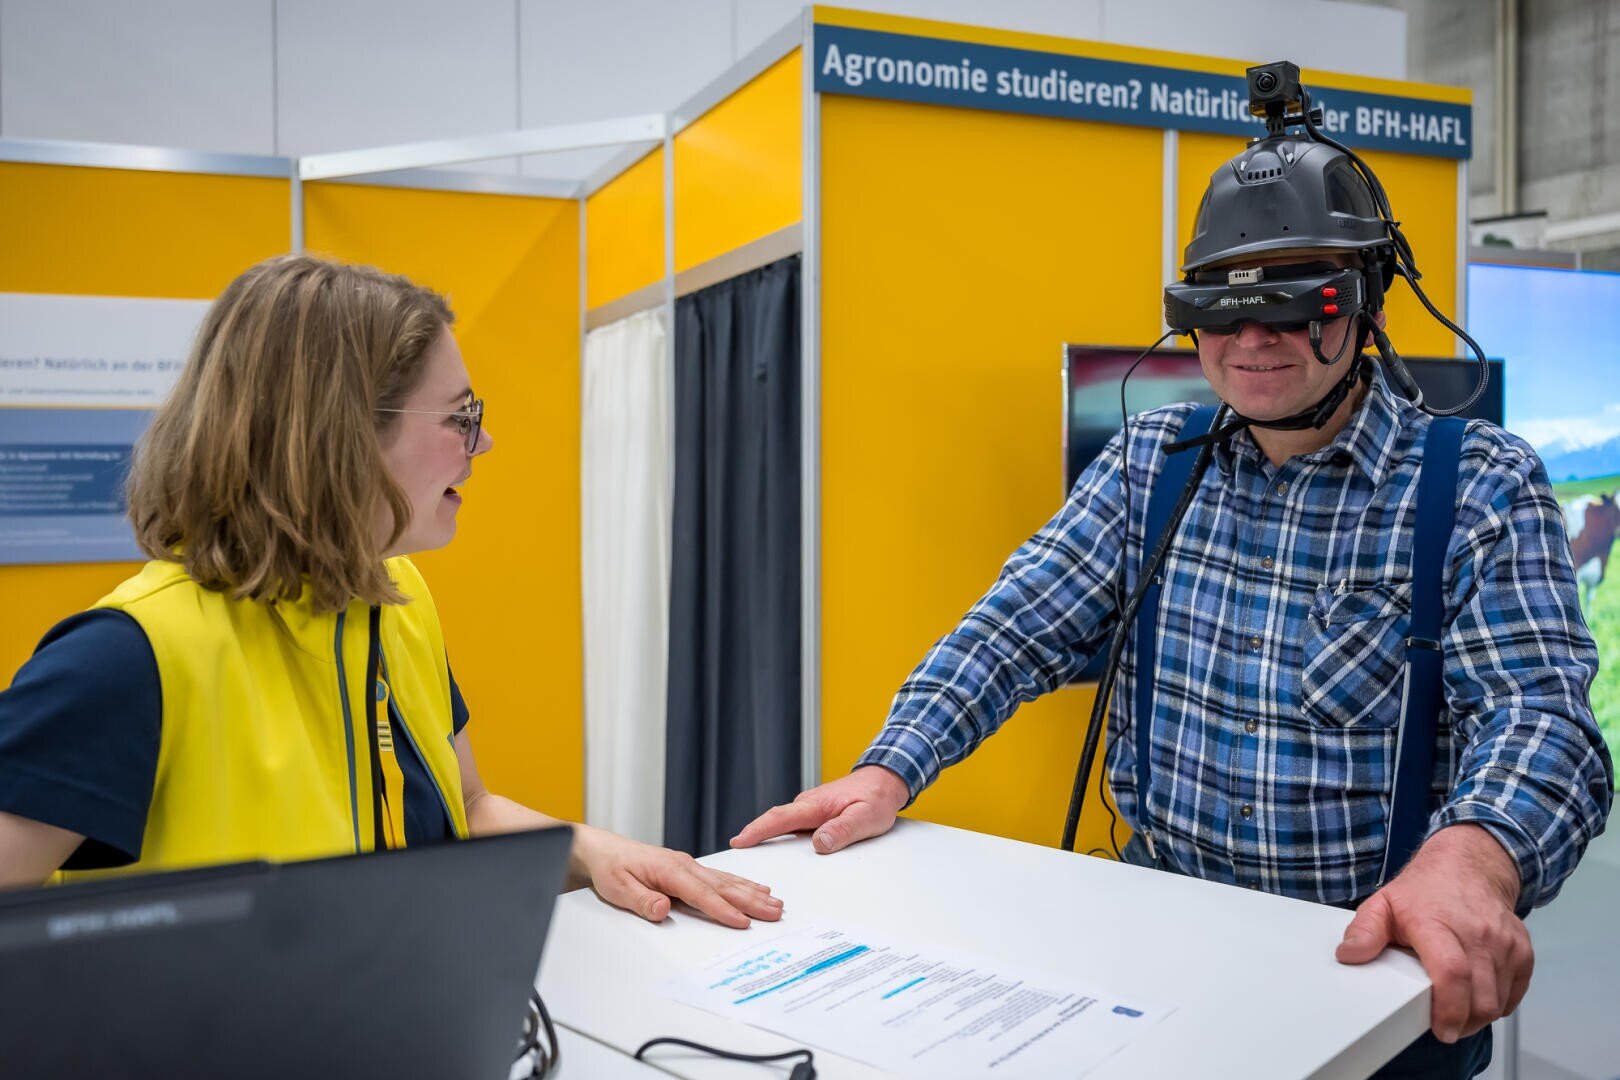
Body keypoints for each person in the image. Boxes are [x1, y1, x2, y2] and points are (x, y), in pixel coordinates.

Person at [734, 82, 1612, 1078]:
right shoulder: (1153, 462)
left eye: (1295, 300)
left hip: (1367, 974)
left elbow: (1540, 717)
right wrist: (889, 768)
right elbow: (1011, 630)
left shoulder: (1480, 485)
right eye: (1221, 305)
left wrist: (1471, 864)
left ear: (1366, 299)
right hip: (1155, 958)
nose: (1253, 338)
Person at [0, 253, 782, 932]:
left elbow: (464, 805)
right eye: (461, 417)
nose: (484, 442)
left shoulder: (390, 593)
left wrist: (599, 850)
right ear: (339, 436)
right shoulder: (125, 660)